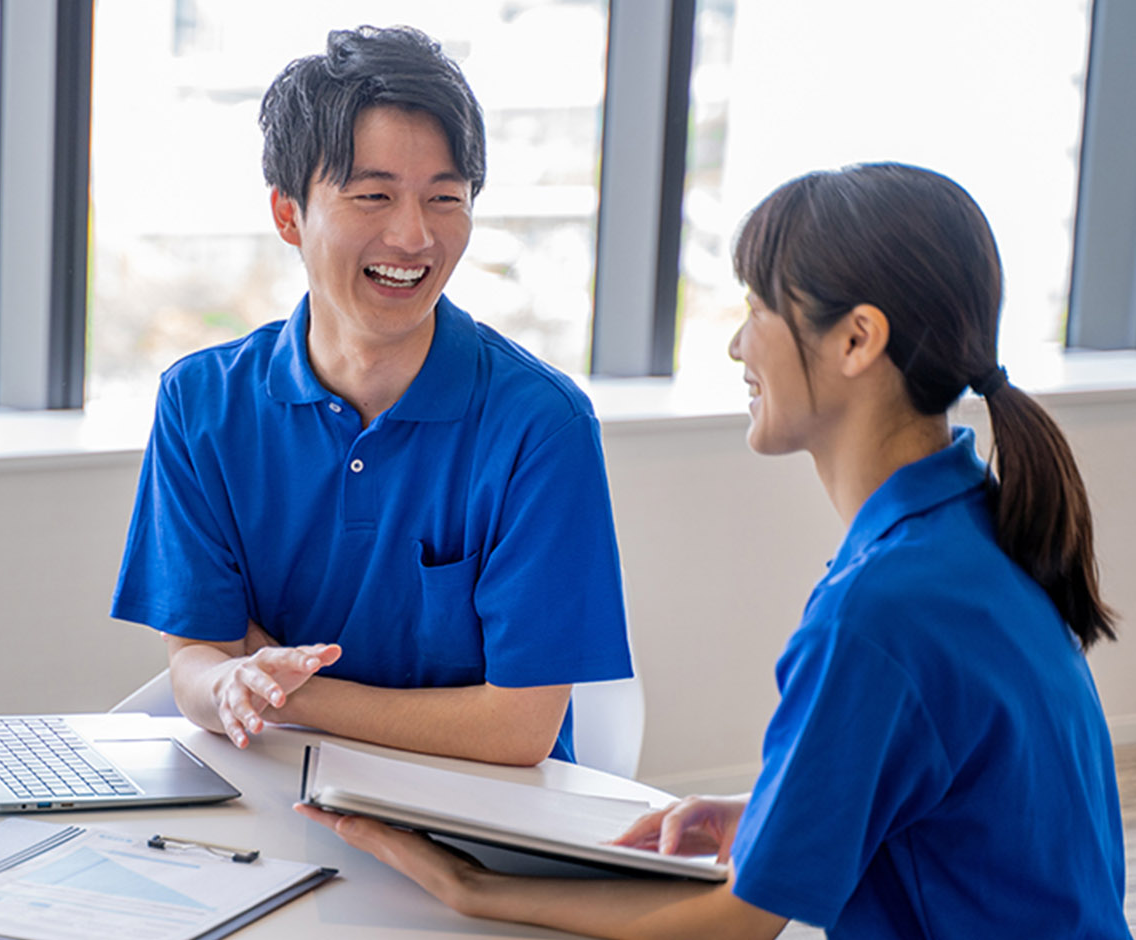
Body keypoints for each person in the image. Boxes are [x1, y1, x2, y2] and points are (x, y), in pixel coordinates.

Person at [298, 162, 1128, 938]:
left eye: (758, 310)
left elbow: (742, 922)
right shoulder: (968, 529)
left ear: (856, 340)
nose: (738, 347)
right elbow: (955, 782)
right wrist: (775, 806)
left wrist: (474, 890)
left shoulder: (884, 606)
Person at [111, 25, 631, 767]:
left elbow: (517, 733)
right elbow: (197, 659)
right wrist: (229, 676)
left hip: (480, 823)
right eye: (373, 196)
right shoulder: (200, 405)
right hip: (280, 795)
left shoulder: (542, 424)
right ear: (288, 214)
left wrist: (285, 685)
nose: (414, 236)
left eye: (444, 197)